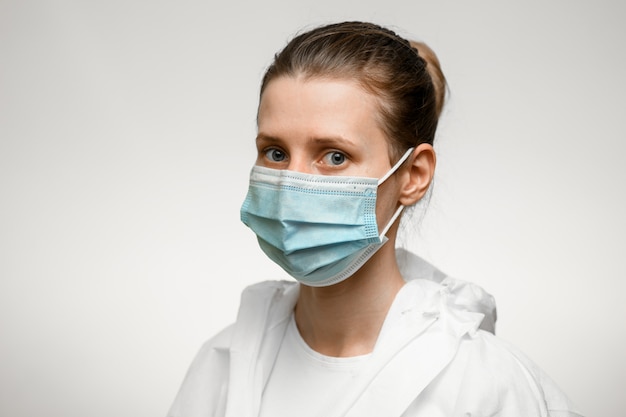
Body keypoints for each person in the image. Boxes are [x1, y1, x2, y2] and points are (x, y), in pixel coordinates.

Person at [168, 21, 582, 417]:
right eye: (275, 152)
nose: (290, 185)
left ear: (413, 176)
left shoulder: (487, 387)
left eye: (334, 156)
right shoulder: (220, 367)